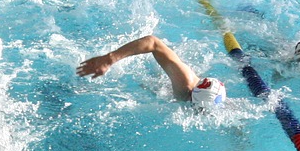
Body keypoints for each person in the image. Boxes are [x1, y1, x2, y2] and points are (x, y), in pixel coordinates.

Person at [76, 33, 229, 108]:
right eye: (199, 110)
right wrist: (109, 59)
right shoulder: (185, 83)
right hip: (161, 76)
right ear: (192, 96)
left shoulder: (210, 99)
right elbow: (153, 42)